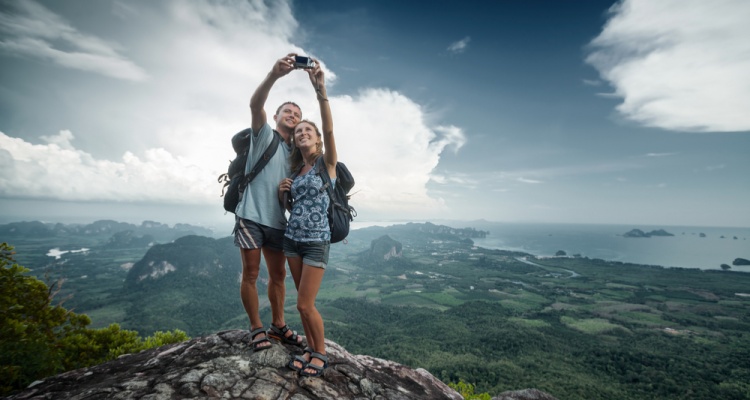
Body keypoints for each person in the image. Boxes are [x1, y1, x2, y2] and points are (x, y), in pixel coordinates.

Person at [235, 54, 304, 352]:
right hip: (251, 214)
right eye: (287, 111)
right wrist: (274, 75)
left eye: (297, 114)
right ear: (276, 117)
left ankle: (278, 324)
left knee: (279, 275)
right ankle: (255, 328)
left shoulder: (295, 155)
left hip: (277, 221)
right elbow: (255, 104)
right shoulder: (263, 135)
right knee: (251, 274)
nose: (292, 115)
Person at [277, 58, 336, 377]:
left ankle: (321, 353)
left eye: (307, 130)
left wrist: (320, 90)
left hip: (315, 243)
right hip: (292, 242)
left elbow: (329, 126)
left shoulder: (327, 164)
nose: (301, 132)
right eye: (297, 130)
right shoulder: (296, 171)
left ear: (316, 138)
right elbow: (295, 210)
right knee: (301, 301)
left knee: (304, 304)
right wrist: (282, 193)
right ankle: (311, 349)